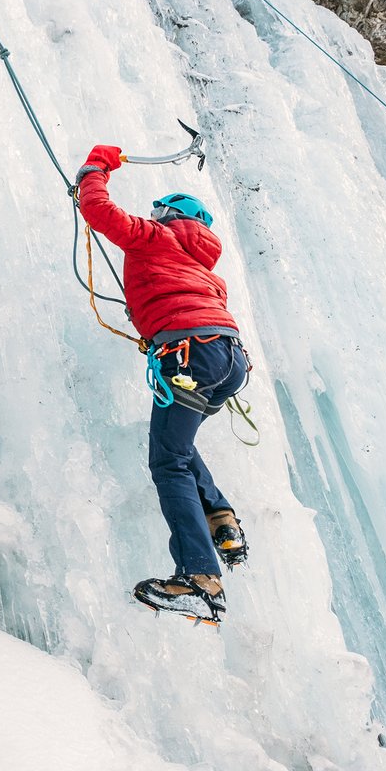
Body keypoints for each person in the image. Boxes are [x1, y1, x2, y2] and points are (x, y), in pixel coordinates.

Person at [75, 144, 249, 624]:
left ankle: (200, 578)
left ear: (171, 216)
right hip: (228, 358)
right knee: (178, 442)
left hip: (190, 350)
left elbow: (98, 211)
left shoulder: (156, 237)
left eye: (159, 211)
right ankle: (221, 518)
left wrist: (95, 168)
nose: (153, 215)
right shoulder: (203, 268)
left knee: (167, 459)